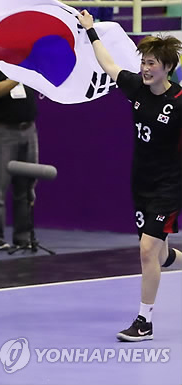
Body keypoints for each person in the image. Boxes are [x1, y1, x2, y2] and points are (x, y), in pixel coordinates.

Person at [78, 10, 182, 342]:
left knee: (147, 250)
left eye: (152, 63)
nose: (145, 68)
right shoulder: (136, 88)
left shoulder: (180, 103)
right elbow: (108, 64)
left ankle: (144, 321)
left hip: (171, 186)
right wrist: (91, 31)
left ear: (167, 67)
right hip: (142, 184)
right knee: (161, 254)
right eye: (144, 62)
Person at [0, 70, 39, 251]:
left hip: (28, 129)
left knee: (27, 186)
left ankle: (24, 236)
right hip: (1, 132)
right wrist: (19, 76)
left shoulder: (25, 63)